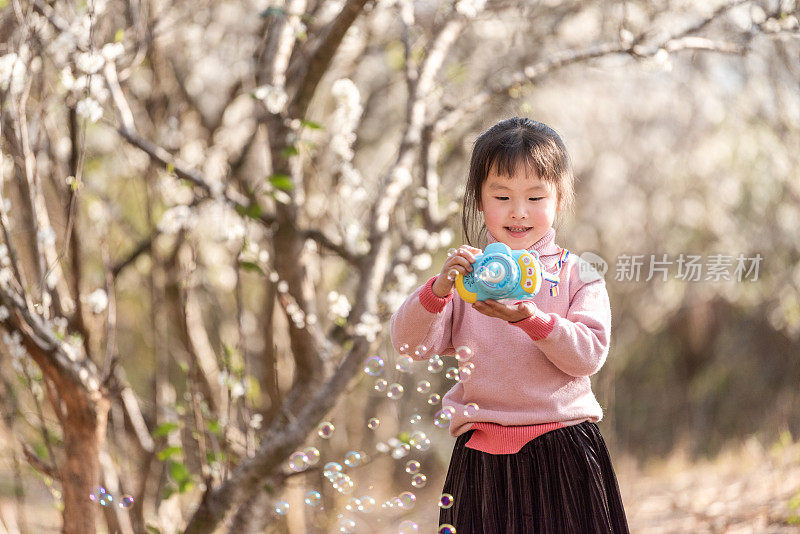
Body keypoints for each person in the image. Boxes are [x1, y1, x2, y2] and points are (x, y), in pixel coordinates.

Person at [390, 117, 629, 533]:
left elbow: (587, 355)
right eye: (502, 196)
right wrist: (439, 287)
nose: (519, 212)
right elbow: (408, 344)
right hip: (482, 465)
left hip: (564, 453)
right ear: (479, 202)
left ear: (558, 200)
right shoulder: (467, 283)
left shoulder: (580, 273)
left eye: (535, 196)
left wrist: (533, 321)